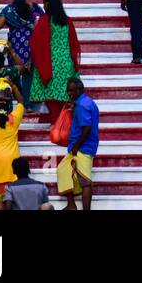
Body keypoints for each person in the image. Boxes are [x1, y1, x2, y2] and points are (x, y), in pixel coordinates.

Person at [57, 77, 98, 210]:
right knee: (63, 169)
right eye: (68, 90)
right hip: (81, 146)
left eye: (72, 90)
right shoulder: (87, 102)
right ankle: (71, 205)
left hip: (82, 148)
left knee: (85, 181)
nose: (69, 93)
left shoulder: (81, 105)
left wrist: (76, 146)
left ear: (80, 89)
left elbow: (87, 128)